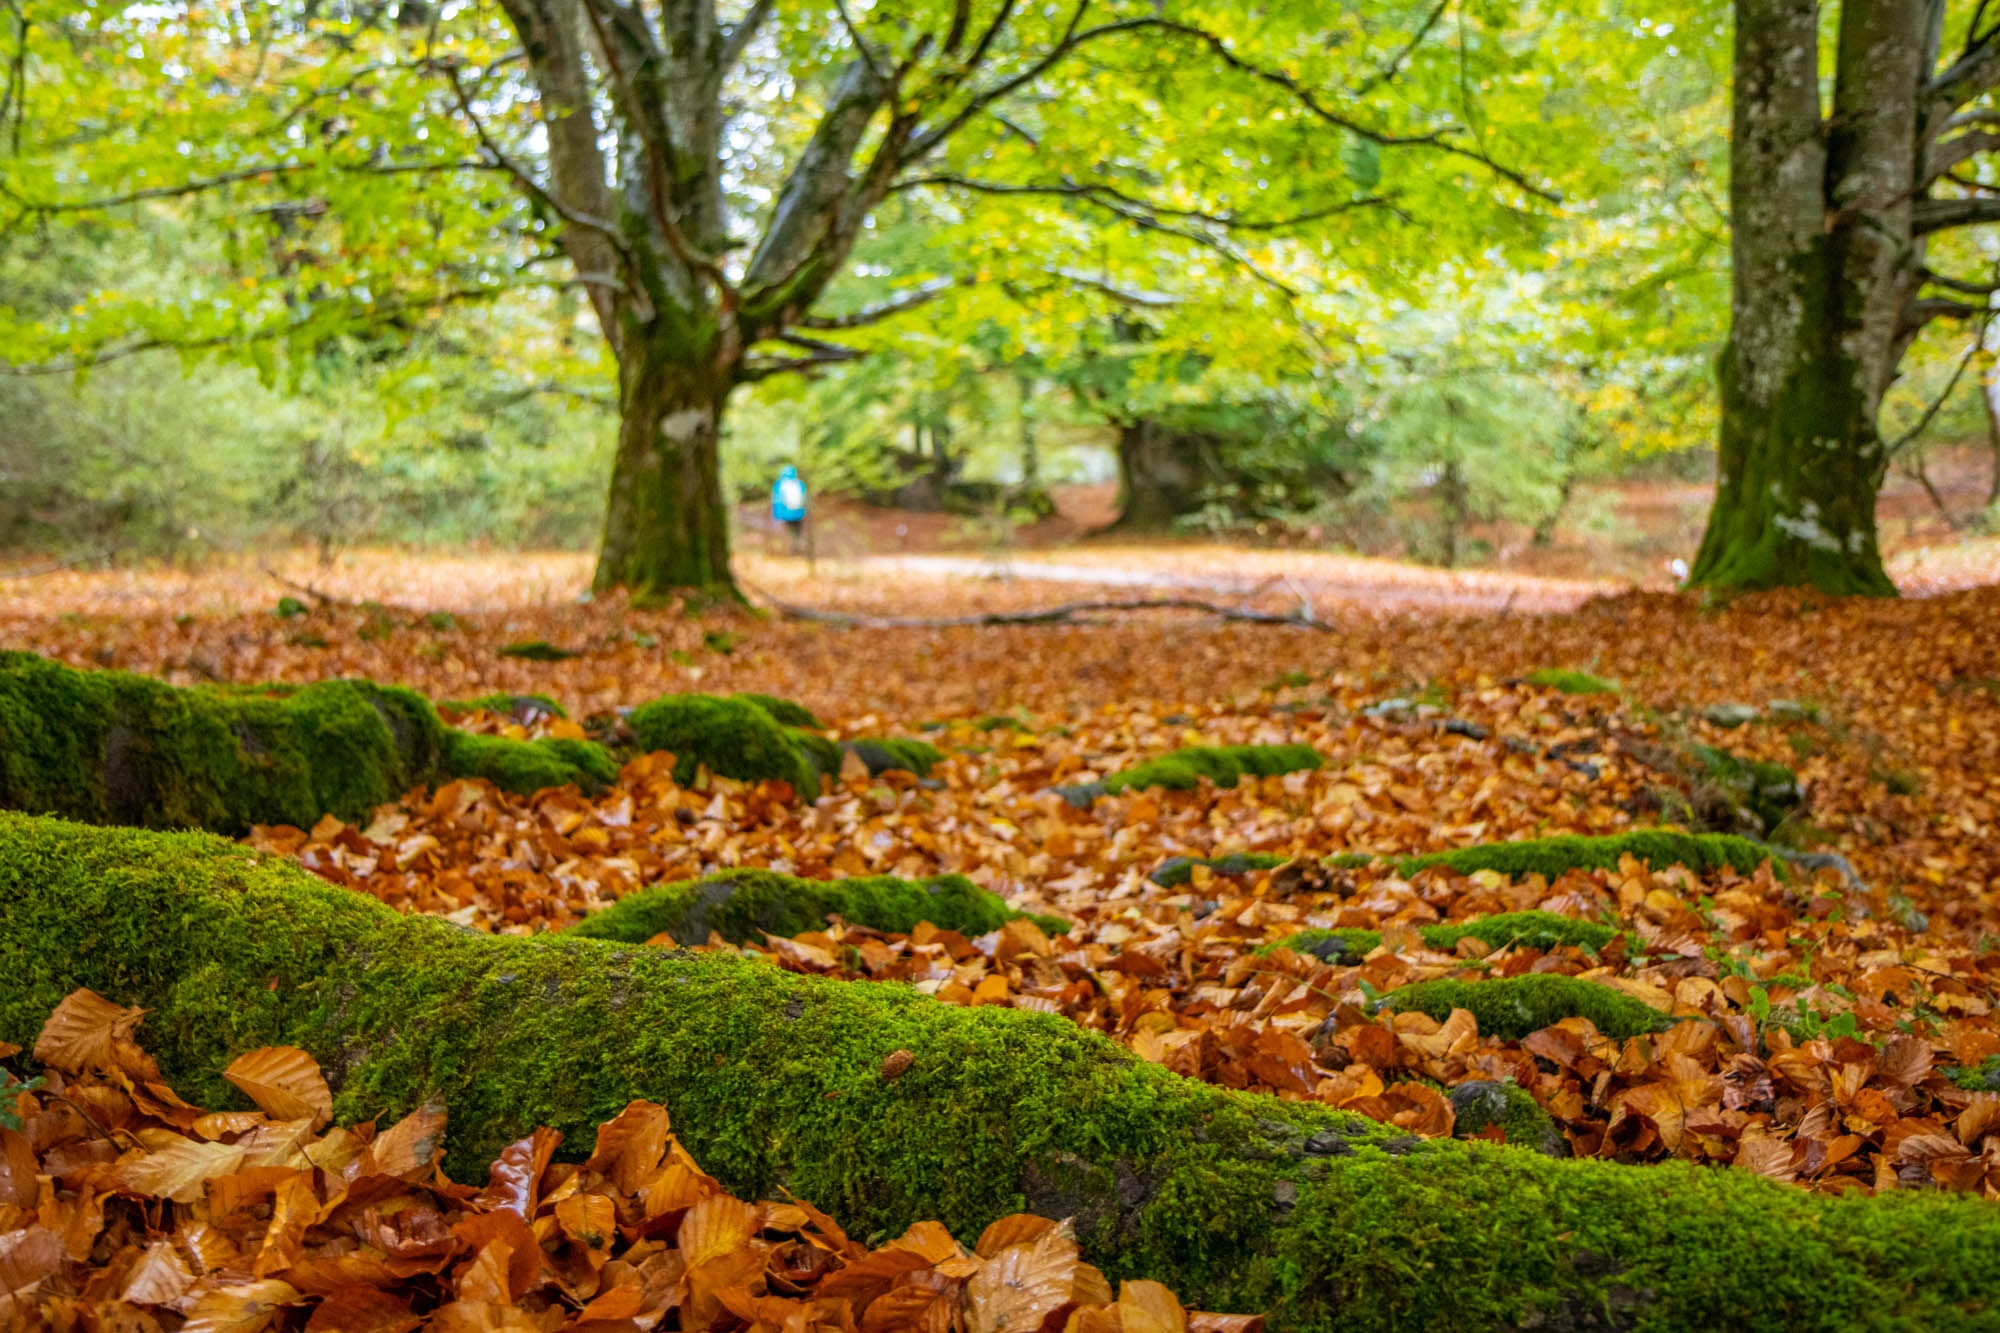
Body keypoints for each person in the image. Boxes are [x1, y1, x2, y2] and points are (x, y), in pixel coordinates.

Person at [771, 464, 808, 554]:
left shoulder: (779, 485)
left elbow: (777, 501)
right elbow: (804, 499)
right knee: (798, 531)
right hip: (799, 513)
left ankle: (790, 549)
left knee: (789, 531)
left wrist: (777, 516)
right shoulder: (800, 484)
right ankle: (797, 546)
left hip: (786, 514)